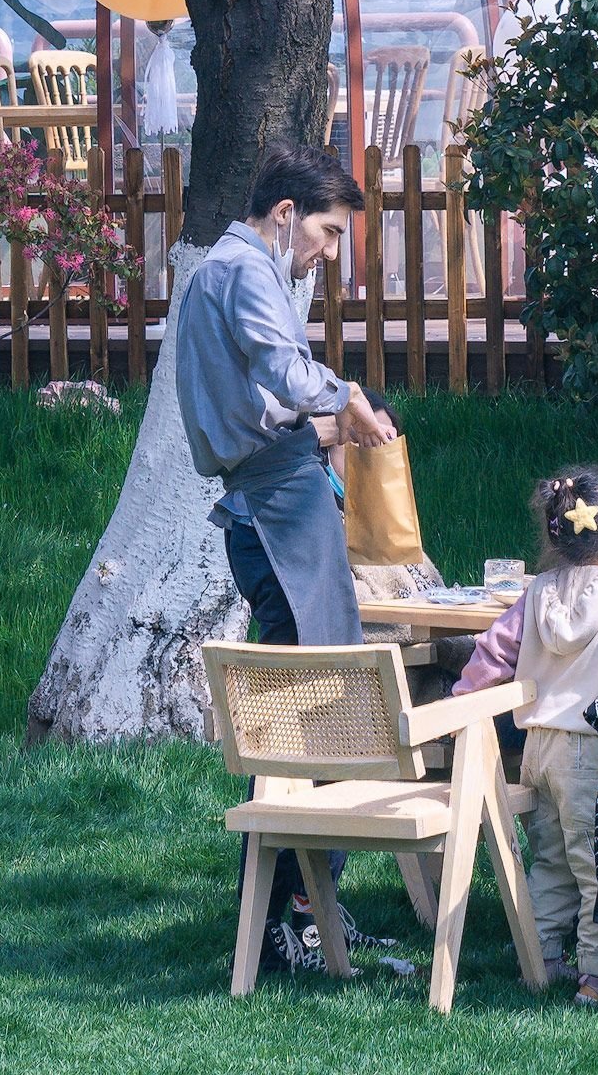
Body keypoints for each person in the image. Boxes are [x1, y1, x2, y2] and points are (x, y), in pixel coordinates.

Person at [174, 144, 404, 977]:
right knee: (316, 713)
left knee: (304, 717)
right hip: (275, 501)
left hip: (275, 491)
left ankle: (306, 916)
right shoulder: (244, 272)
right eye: (329, 233)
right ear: (283, 216)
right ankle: (292, 924)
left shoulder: (224, 271)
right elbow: (280, 370)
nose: (331, 254)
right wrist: (345, 397)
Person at [458, 466, 598, 1006]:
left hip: (536, 745)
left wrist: (457, 706)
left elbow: (493, 653)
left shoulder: (535, 592)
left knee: (552, 858)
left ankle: (539, 957)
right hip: (591, 750)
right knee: (597, 864)